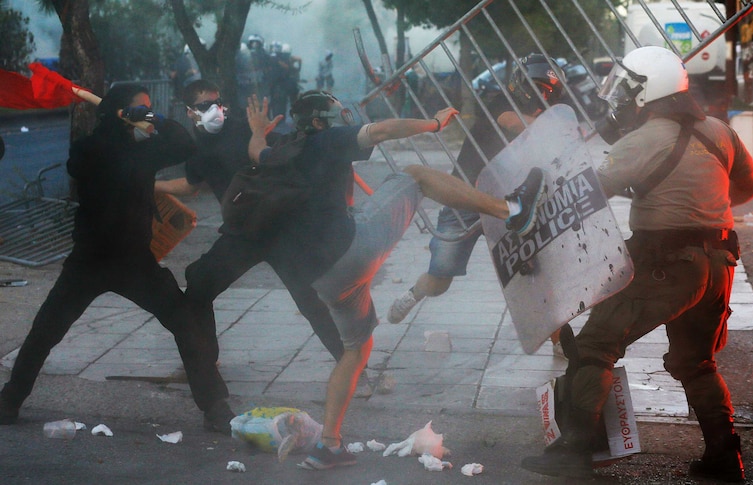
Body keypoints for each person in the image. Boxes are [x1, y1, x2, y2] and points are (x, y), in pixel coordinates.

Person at [244, 90, 546, 470]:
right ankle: (512, 209)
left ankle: (329, 445)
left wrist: (257, 129)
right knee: (415, 175)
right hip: (352, 250)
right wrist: (435, 123)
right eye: (338, 113)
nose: (346, 117)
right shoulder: (326, 139)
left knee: (356, 351)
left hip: (322, 279)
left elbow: (257, 151)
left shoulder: (281, 152)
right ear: (319, 123)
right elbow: (384, 130)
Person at [519, 46, 753, 482]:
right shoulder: (719, 132)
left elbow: (586, 198)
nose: (617, 98)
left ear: (646, 93)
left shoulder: (639, 140)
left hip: (664, 263)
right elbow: (748, 186)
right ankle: (726, 459)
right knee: (697, 362)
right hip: (720, 264)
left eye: (627, 89)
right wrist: (701, 207)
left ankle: (574, 453)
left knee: (596, 347)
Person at [0, 84, 233, 432]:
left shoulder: (145, 151)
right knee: (45, 332)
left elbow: (185, 144)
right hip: (89, 261)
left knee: (185, 323)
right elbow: (81, 164)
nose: (146, 115)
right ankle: (8, 402)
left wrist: (151, 118)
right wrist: (119, 125)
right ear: (118, 114)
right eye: (140, 108)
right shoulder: (91, 148)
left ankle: (215, 407)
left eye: (148, 109)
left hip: (135, 262)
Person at [154, 80, 349, 389]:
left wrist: (264, 131)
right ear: (190, 112)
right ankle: (205, 362)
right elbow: (192, 184)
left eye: (218, 103)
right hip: (243, 232)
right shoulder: (198, 144)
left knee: (307, 298)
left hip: (278, 225)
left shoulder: (244, 127)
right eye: (205, 106)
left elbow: (281, 149)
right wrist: (155, 186)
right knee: (200, 282)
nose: (215, 111)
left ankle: (352, 364)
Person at [387, 54, 574, 355]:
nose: (541, 95)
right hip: (466, 198)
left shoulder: (547, 115)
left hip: (514, 203)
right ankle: (415, 293)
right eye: (536, 87)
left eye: (548, 91)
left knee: (538, 272)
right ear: (520, 84)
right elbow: (512, 122)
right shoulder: (499, 101)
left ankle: (560, 342)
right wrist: (554, 128)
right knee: (441, 276)